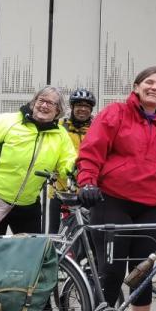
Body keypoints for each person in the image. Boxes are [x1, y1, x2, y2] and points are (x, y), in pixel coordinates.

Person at [75, 66, 156, 311]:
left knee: (143, 273)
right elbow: (92, 150)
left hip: (151, 205)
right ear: (136, 87)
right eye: (149, 82)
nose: (154, 87)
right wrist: (87, 181)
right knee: (110, 271)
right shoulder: (116, 113)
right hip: (112, 200)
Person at [0, 86, 77, 237]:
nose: (44, 105)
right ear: (33, 103)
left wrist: (77, 170)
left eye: (51, 103)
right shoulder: (7, 121)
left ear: (58, 111)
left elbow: (67, 162)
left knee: (30, 257)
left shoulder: (60, 134)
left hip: (28, 206)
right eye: (41, 100)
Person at [46, 88, 97, 233]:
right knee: (55, 234)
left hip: (87, 192)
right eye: (79, 105)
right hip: (61, 191)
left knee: (88, 235)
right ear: (72, 107)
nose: (82, 109)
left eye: (86, 106)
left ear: (91, 109)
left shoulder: (96, 128)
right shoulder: (59, 126)